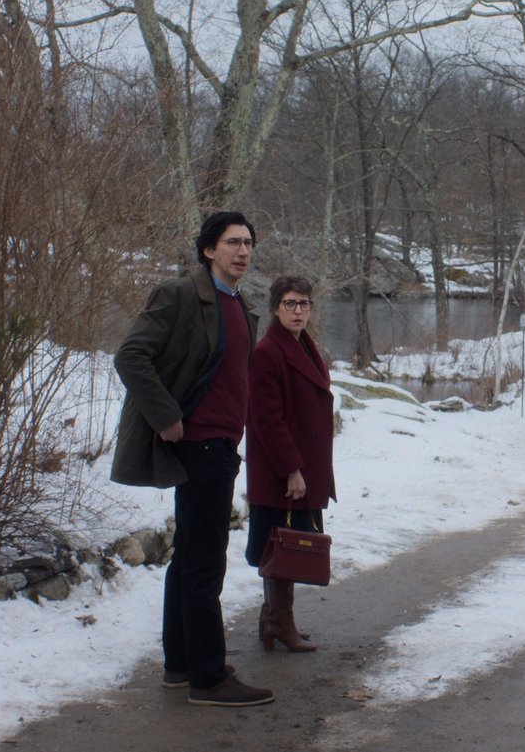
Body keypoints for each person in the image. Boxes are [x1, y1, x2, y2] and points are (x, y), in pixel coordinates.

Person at [110, 211, 274, 707]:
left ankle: (181, 665)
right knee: (204, 563)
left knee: (188, 559)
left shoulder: (239, 304)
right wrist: (166, 416)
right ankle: (209, 677)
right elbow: (131, 355)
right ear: (208, 250)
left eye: (248, 243)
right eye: (232, 242)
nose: (242, 251)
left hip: (220, 446)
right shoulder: (181, 294)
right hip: (199, 445)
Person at [244, 275, 336, 654]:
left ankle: (273, 618)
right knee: (282, 546)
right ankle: (280, 622)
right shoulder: (268, 352)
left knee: (285, 545)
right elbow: (267, 419)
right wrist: (292, 470)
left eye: (304, 304)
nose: (298, 311)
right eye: (290, 303)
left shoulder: (302, 345)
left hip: (301, 467)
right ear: (275, 307)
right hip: (282, 472)